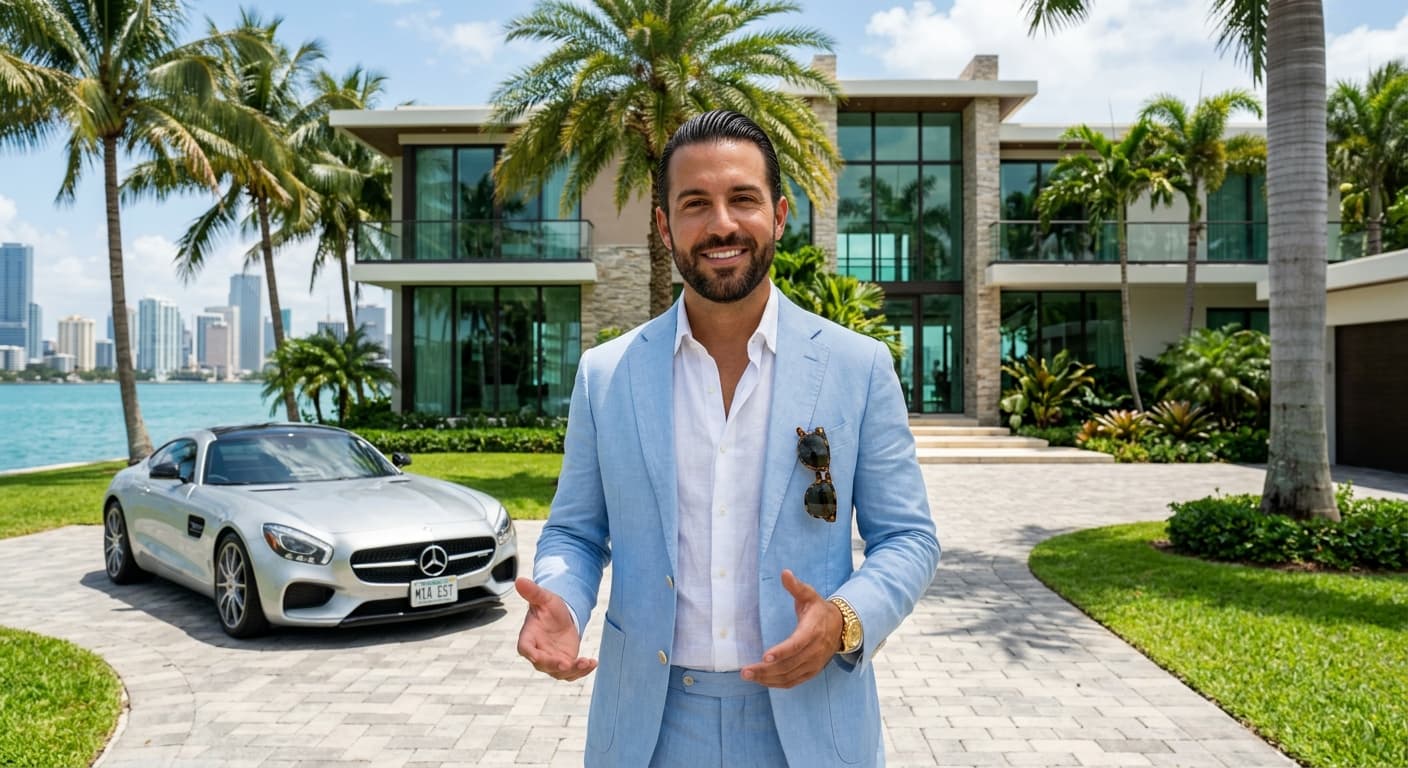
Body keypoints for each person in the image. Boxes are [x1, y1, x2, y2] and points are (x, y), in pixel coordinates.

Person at [515, 109, 940, 767]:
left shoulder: (857, 369)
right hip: (649, 729)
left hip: (810, 721)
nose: (721, 224)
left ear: (779, 211)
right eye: (695, 204)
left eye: (742, 199)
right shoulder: (608, 375)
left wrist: (841, 620)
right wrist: (563, 600)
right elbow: (574, 530)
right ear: (663, 225)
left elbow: (908, 537)